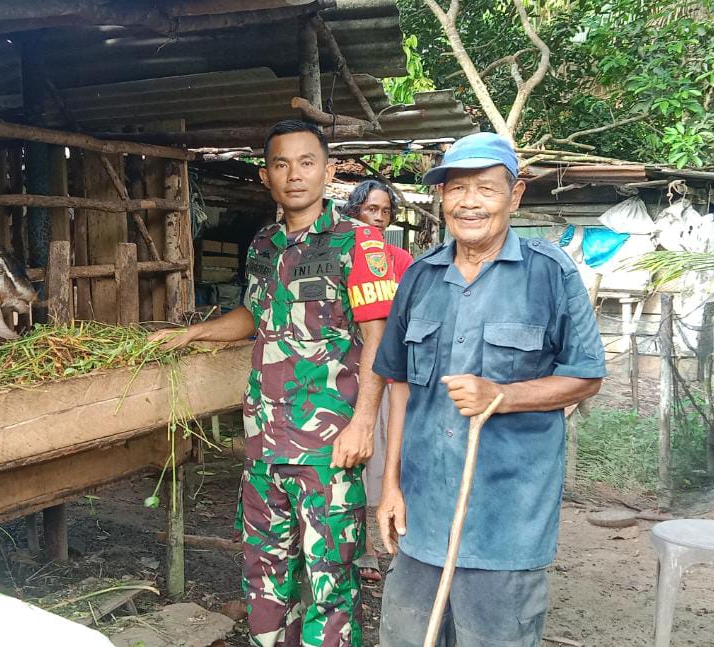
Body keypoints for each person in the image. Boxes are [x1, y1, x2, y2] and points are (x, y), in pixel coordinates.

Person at [150, 120, 398, 647]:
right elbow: (253, 314)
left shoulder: (359, 242)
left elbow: (380, 339)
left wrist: (363, 424)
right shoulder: (264, 243)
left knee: (331, 585)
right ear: (266, 176)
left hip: (328, 448)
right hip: (264, 445)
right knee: (264, 580)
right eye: (281, 164)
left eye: (307, 162)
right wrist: (194, 334)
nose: (294, 175)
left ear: (329, 171)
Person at [371, 132, 606, 647]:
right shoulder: (420, 276)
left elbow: (587, 374)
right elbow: (399, 384)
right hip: (424, 515)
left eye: (485, 188)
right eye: (456, 189)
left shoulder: (550, 274)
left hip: (507, 519)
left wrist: (502, 395)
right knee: (407, 638)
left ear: (515, 196)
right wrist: (390, 486)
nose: (469, 202)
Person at [341, 179, 414, 583]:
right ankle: (362, 545)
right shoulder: (343, 250)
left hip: (388, 369)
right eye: (371, 209)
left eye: (385, 211)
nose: (378, 217)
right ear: (355, 211)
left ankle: (385, 532)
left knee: (384, 451)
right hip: (346, 367)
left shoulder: (400, 259)